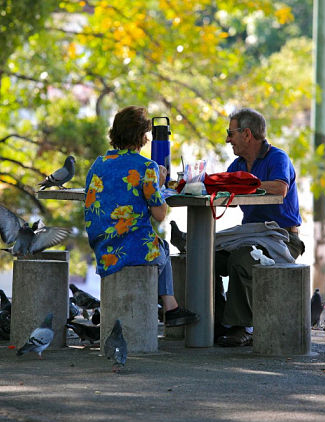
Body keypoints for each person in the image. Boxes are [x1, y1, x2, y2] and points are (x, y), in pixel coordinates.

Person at [84, 106, 199, 327]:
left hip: (102, 245)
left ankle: (169, 305)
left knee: (158, 245)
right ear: (143, 137)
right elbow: (159, 214)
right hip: (131, 249)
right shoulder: (146, 167)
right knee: (161, 247)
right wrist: (160, 183)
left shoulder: (98, 164)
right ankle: (170, 306)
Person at [214, 108, 306, 346]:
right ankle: (215, 322)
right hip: (250, 236)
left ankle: (242, 326)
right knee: (205, 257)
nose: (227, 139)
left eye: (230, 133)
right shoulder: (237, 164)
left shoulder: (278, 158)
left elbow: (279, 188)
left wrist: (244, 185)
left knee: (242, 259)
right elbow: (222, 190)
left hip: (282, 239)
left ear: (246, 134)